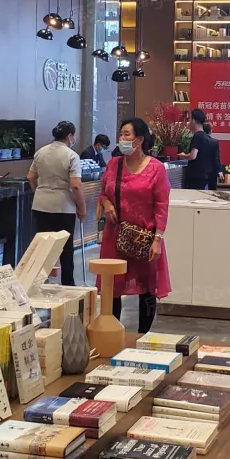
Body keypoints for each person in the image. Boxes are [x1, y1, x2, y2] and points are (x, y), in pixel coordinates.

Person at [98, 118, 171, 334]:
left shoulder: (156, 169)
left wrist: (157, 239)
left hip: (144, 237)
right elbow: (103, 192)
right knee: (112, 285)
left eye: (126, 134)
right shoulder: (114, 164)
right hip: (115, 235)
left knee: (147, 287)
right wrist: (106, 203)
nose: (122, 138)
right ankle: (112, 334)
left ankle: (142, 336)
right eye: (121, 134)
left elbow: (162, 206)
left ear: (139, 140)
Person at [28, 121, 87, 287]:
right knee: (65, 248)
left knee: (42, 247)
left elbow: (31, 177)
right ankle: (68, 284)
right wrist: (82, 208)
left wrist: (39, 191)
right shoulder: (71, 155)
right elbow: (75, 185)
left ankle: (39, 282)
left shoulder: (41, 152)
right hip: (63, 206)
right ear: (70, 136)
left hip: (40, 204)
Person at [183, 109, 221, 191]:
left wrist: (182, 156)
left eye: (190, 119)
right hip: (206, 177)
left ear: (193, 120)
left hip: (196, 177)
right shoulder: (208, 138)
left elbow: (192, 156)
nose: (189, 122)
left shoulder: (197, 136)